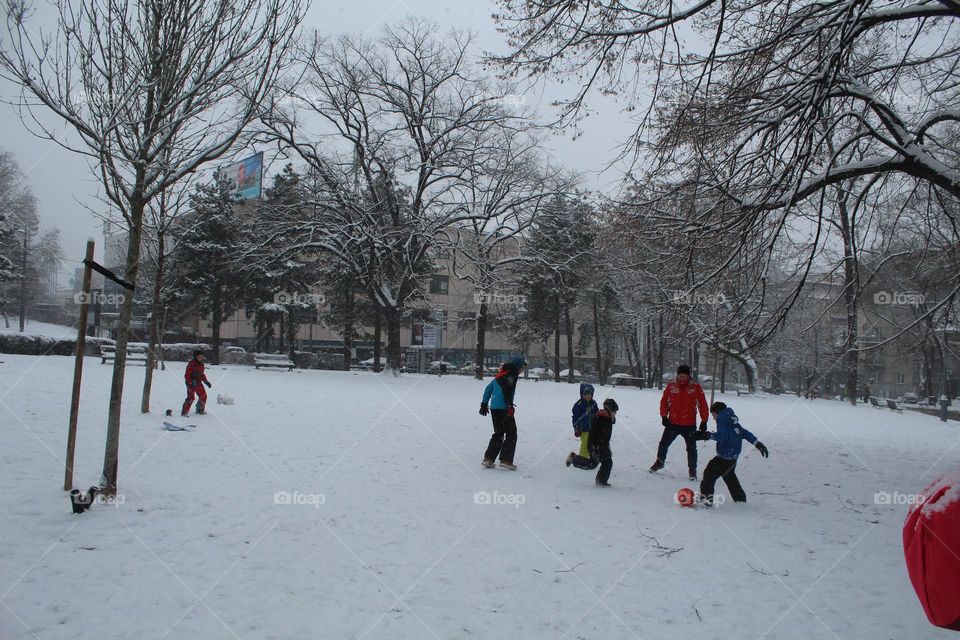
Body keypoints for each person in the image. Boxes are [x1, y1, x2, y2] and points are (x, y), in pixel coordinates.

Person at [694, 401, 769, 506]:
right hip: (732, 458)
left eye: (714, 415)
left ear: (718, 413)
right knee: (730, 478)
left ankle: (706, 499)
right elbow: (745, 433)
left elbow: (722, 436)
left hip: (723, 457)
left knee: (709, 475)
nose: (714, 418)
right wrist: (758, 444)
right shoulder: (733, 421)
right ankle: (741, 500)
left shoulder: (722, 420)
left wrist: (706, 435)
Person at [649, 364, 708, 480]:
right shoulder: (671, 386)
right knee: (663, 444)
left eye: (684, 376)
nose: (682, 378)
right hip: (673, 423)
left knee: (691, 448)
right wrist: (664, 416)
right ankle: (660, 462)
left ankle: (692, 470)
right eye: (680, 376)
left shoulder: (696, 388)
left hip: (689, 424)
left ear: (688, 376)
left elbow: (703, 405)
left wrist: (704, 420)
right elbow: (664, 402)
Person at [480, 355, 525, 470]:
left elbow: (488, 388)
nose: (522, 370)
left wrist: (484, 403)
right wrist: (509, 405)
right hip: (504, 409)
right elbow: (507, 390)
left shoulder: (500, 375)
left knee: (498, 433)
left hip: (495, 408)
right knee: (512, 433)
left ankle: (488, 459)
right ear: (518, 366)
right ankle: (506, 460)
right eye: (522, 367)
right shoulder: (510, 376)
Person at [565, 398, 618, 486]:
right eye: (614, 411)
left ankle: (600, 480)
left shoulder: (607, 418)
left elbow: (612, 421)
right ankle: (573, 458)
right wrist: (593, 447)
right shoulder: (600, 419)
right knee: (594, 464)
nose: (615, 414)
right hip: (596, 445)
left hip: (603, 445)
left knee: (605, 463)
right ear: (608, 410)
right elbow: (593, 434)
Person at [181, 350, 212, 417]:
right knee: (191, 397)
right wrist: (191, 382)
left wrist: (206, 381)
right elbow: (187, 375)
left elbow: (201, 374)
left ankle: (200, 410)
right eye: (199, 356)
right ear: (195, 357)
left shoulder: (201, 364)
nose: (201, 358)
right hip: (190, 383)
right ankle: (184, 412)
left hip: (198, 382)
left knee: (203, 396)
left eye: (202, 356)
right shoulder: (191, 364)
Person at [571, 383, 598, 458]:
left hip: (592, 429)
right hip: (583, 429)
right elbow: (575, 417)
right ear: (582, 394)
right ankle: (582, 457)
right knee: (585, 443)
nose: (589, 396)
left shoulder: (594, 403)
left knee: (591, 443)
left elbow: (597, 413)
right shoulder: (579, 404)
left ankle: (589, 456)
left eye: (590, 394)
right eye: (587, 394)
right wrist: (576, 427)